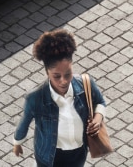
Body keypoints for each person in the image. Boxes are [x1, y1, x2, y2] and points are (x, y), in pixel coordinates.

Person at [11, 29, 108, 166]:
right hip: (49, 156)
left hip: (78, 153)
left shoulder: (86, 84)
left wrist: (98, 119)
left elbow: (100, 102)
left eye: (68, 74)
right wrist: (17, 143)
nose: (63, 81)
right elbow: (24, 123)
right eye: (57, 76)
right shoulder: (35, 98)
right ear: (47, 72)